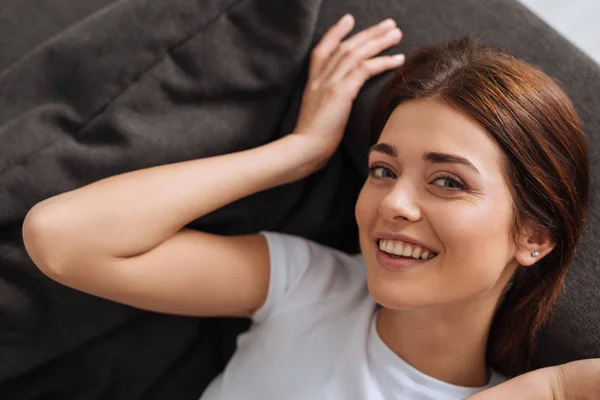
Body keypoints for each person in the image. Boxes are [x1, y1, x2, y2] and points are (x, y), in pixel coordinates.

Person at [22, 14, 600, 400]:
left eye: (448, 182)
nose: (394, 203)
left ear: (534, 237)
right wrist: (296, 153)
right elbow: (61, 237)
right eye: (383, 169)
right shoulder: (310, 285)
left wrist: (550, 391)